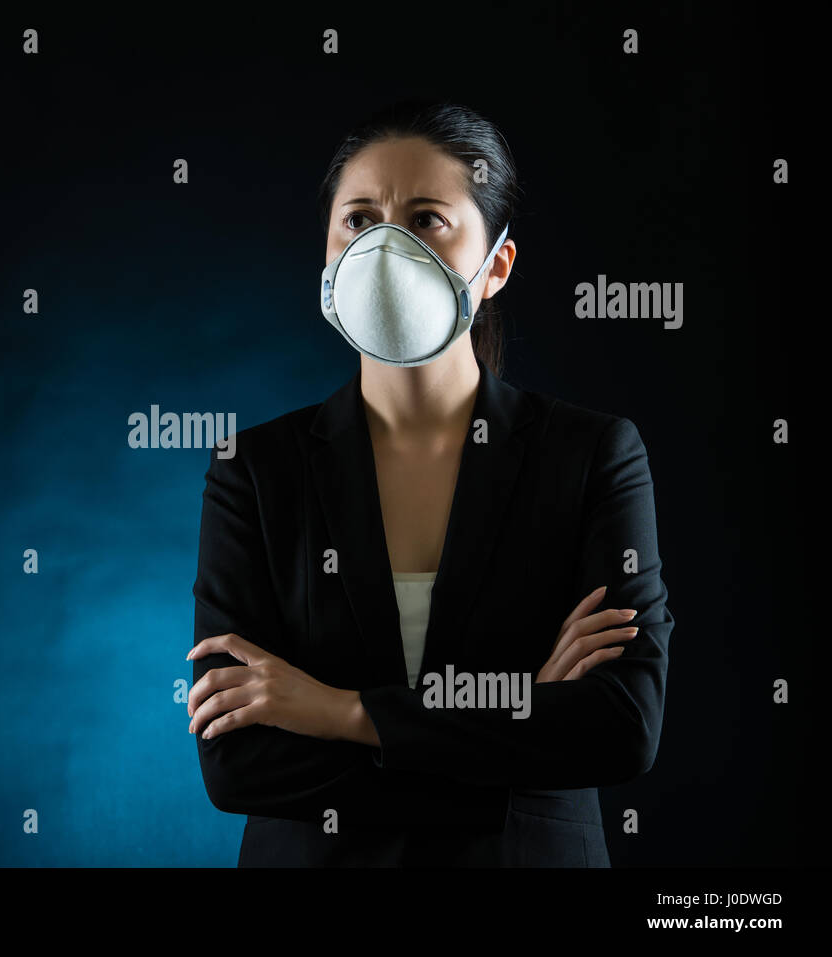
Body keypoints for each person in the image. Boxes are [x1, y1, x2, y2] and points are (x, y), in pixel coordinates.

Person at [187, 98, 673, 866]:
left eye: (425, 219)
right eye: (358, 219)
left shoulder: (591, 456)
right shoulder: (254, 472)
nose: (382, 246)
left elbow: (620, 728)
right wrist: (520, 716)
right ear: (325, 250)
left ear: (497, 265)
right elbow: (238, 762)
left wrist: (340, 711)